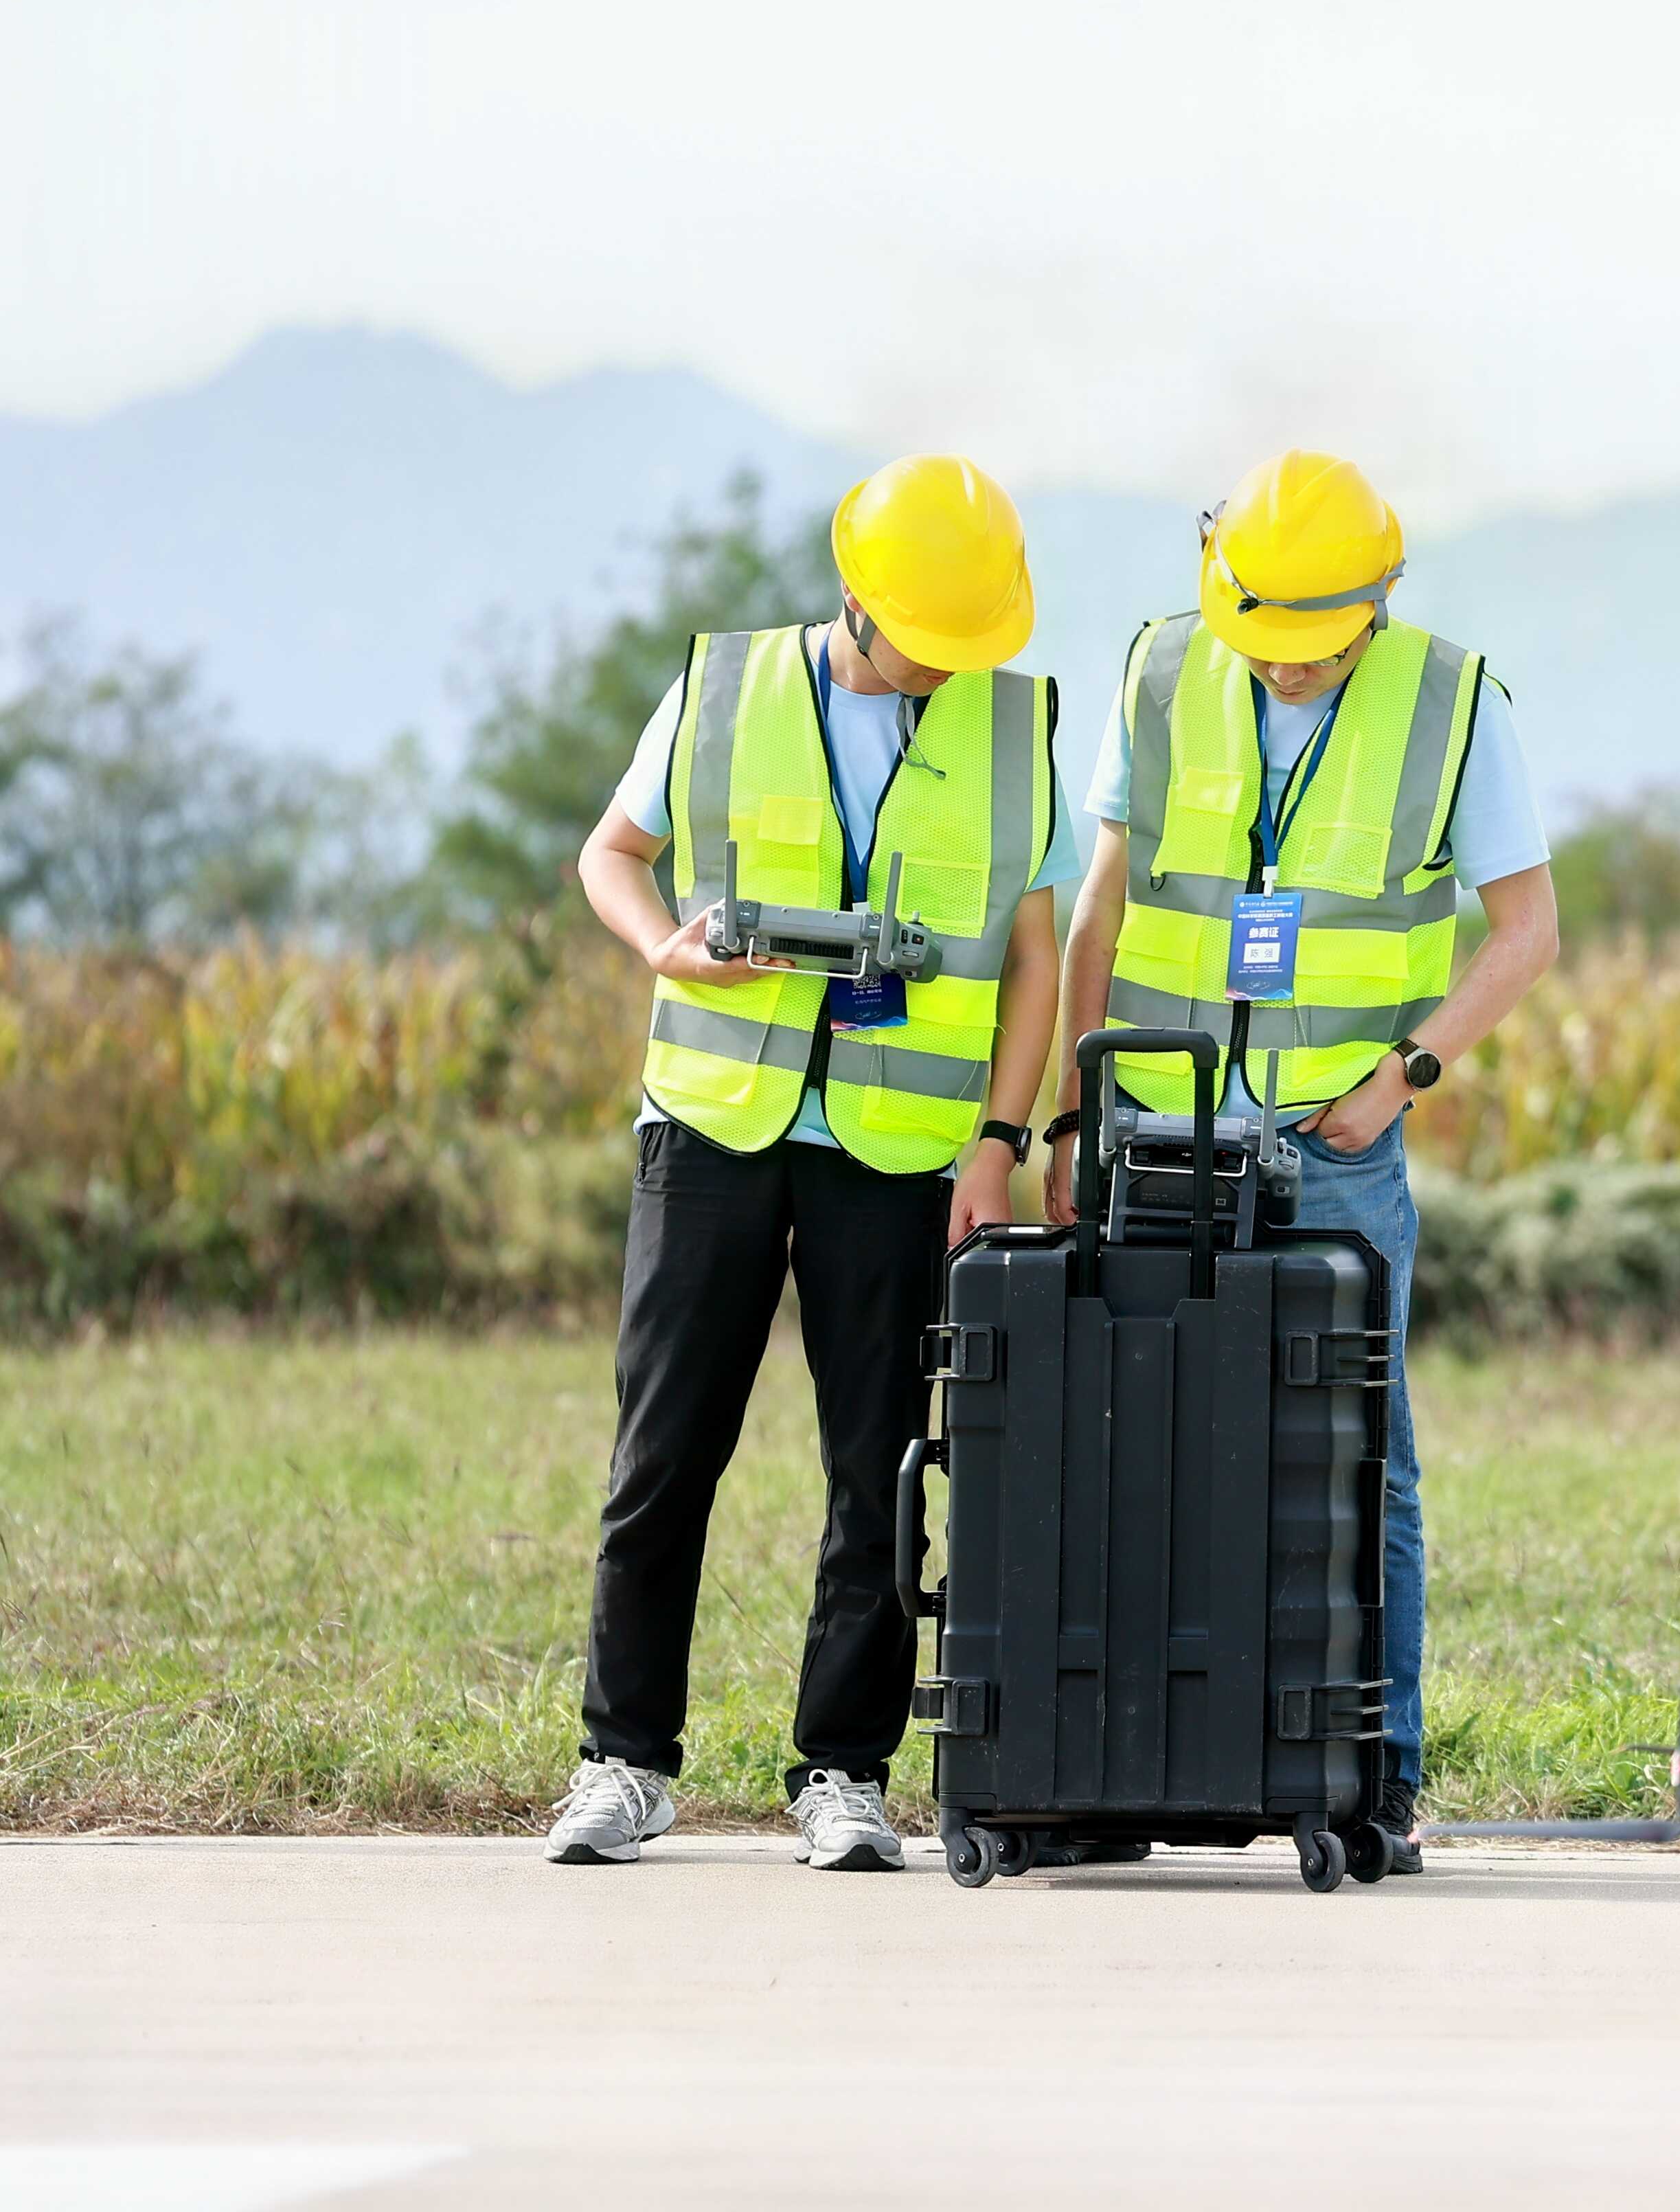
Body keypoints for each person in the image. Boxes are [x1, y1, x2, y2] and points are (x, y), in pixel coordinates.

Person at [549, 455, 1077, 1870]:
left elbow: (1034, 962)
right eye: (926, 641)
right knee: (664, 1457)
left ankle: (843, 1772)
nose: (947, 667)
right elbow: (611, 855)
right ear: (856, 595)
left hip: (899, 1151)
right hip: (713, 1124)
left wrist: (998, 1142)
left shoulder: (1016, 727)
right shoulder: (721, 691)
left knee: (881, 1473)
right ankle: (623, 1762)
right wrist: (661, 946)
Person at [1050, 449, 1558, 1875]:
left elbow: (1526, 932)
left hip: (1334, 1147)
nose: (1283, 666)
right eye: (1261, 636)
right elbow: (1101, 907)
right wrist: (1074, 1112)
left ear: (1377, 602)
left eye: (1315, 645)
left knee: (1360, 1468)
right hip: (1158, 1130)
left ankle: (1374, 1778)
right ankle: (1121, 1768)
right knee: (1134, 1438)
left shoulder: (1452, 704)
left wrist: (1402, 1079)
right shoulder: (1162, 670)